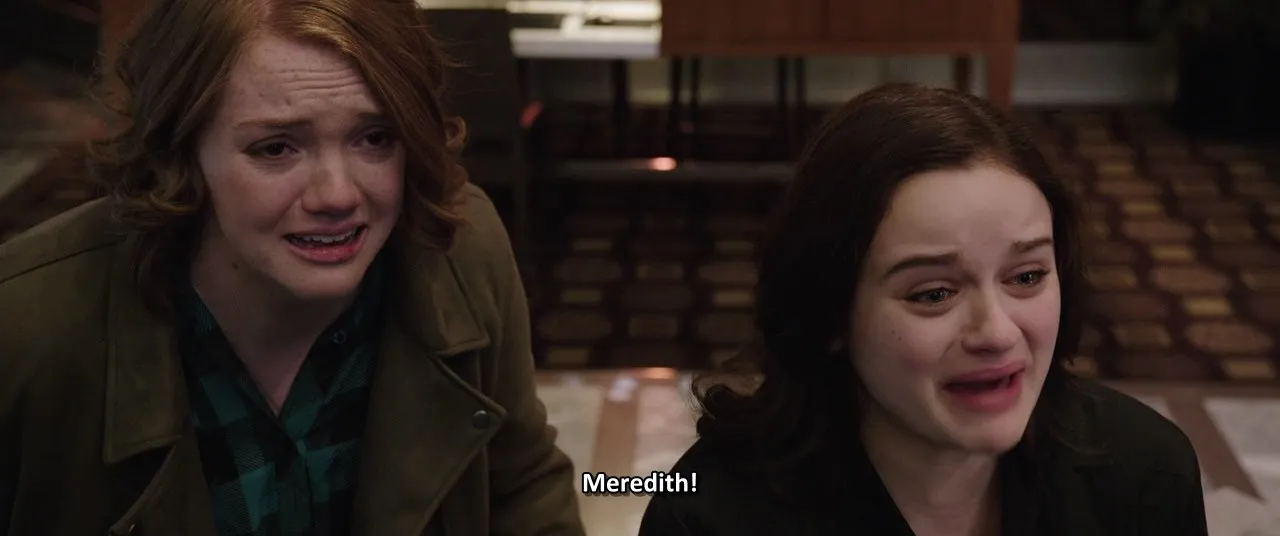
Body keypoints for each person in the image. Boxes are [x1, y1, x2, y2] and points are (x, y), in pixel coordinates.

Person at [0, 0, 584, 534]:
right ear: (180, 150)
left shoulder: (460, 245)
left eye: (374, 138)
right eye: (276, 147)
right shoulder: (26, 328)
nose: (337, 195)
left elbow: (522, 486)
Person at [638, 83, 1209, 536]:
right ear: (829, 312)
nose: (997, 332)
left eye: (1027, 277)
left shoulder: (1144, 474)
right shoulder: (708, 516)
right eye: (934, 293)